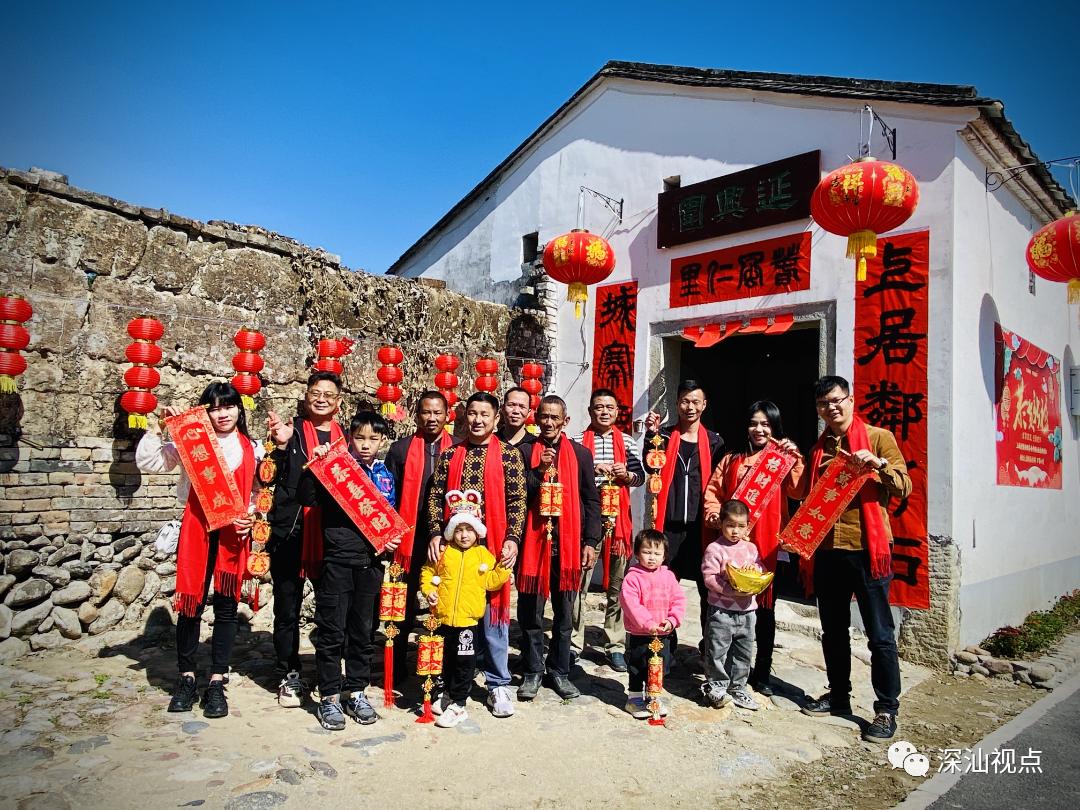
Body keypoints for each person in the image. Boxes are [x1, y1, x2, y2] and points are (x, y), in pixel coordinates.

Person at [791, 375, 911, 744]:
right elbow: (800, 493)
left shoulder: (878, 438)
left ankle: (886, 708)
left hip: (867, 550)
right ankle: (839, 695)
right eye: (824, 403)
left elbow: (904, 485)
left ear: (851, 400)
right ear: (818, 410)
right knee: (833, 630)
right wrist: (789, 460)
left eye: (837, 400)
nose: (832, 408)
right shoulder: (818, 449)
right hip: (828, 551)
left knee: (880, 635)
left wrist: (878, 465)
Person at [136, 381, 262, 719]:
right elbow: (150, 462)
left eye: (228, 406)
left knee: (226, 607)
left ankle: (217, 680)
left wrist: (251, 517)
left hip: (232, 534)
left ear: (239, 409)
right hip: (197, 529)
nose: (222, 414)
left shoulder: (252, 448)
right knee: (190, 606)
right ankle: (187, 677)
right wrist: (160, 427)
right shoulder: (192, 442)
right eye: (214, 408)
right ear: (206, 413)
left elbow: (257, 493)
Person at [426, 392, 528, 718]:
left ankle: (497, 682)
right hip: (455, 549)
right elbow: (435, 496)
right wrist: (434, 533)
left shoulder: (509, 455)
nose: (478, 420)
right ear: (464, 416)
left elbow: (517, 501)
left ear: (496, 419)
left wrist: (512, 539)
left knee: (494, 616)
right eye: (472, 413)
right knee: (456, 616)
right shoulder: (451, 455)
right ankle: (452, 683)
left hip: (492, 545)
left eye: (485, 414)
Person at [297, 410, 401, 730]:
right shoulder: (338, 470)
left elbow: (389, 516)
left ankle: (356, 691)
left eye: (373, 438)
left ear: (382, 441)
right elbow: (306, 497)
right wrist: (315, 466)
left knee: (363, 633)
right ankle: (329, 696)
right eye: (360, 438)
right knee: (331, 632)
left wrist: (391, 540)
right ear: (349, 439)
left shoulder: (385, 474)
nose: (366, 444)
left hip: (371, 565)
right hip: (338, 562)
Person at [703, 400, 804, 696]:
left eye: (765, 424)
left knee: (764, 610)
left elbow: (798, 490)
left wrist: (795, 459)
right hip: (733, 544)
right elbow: (713, 492)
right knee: (724, 606)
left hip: (767, 544)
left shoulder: (782, 459)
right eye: (753, 423)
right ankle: (723, 670)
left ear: (775, 428)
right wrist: (714, 514)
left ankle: (761, 672)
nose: (759, 429)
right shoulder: (731, 459)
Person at [265, 371, 345, 708]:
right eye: (316, 392)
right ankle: (289, 673)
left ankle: (329, 673)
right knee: (287, 609)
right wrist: (282, 447)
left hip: (331, 535)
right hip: (291, 531)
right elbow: (267, 476)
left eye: (329, 394)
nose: (321, 399)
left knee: (332, 610)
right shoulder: (290, 431)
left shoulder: (346, 438)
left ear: (338, 402)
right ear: (306, 396)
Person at [516, 395, 601, 701]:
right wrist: (538, 471)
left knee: (565, 616)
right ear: (536, 419)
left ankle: (559, 670)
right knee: (531, 614)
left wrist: (590, 542)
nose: (549, 422)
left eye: (555, 417)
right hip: (533, 546)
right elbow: (517, 495)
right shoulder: (524, 451)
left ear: (566, 421)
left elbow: (591, 500)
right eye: (544, 417)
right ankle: (532, 670)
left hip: (568, 547)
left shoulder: (580, 454)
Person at [419, 492, 511, 728]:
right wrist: (428, 589)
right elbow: (428, 572)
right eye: (459, 529)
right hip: (443, 618)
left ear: (477, 532)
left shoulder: (482, 555)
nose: (463, 535)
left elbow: (491, 581)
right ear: (451, 531)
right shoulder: (443, 553)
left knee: (464, 663)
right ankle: (447, 694)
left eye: (469, 530)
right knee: (445, 660)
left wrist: (504, 568)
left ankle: (459, 704)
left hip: (468, 623)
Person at [644, 380, 724, 644]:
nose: (690, 407)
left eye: (696, 402)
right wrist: (650, 436)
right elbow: (650, 466)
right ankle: (665, 644)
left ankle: (708, 645)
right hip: (669, 526)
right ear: (677, 403)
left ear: (704, 405)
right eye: (685, 401)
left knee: (709, 588)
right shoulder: (665, 437)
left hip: (703, 528)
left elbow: (721, 482)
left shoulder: (715, 441)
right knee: (665, 587)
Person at [572, 388, 645, 672]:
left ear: (617, 412)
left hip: (619, 520)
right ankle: (574, 641)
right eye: (599, 407)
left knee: (617, 584)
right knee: (580, 581)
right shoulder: (578, 441)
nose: (604, 412)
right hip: (588, 518)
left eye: (609, 407)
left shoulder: (627, 441)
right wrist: (592, 468)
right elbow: (571, 474)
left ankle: (615, 644)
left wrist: (627, 474)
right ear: (590, 411)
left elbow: (640, 476)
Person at [384, 391, 453, 688]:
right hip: (407, 540)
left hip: (446, 538)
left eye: (438, 412)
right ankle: (395, 665)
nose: (432, 418)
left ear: (447, 415)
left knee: (444, 602)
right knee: (402, 604)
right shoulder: (400, 450)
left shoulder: (457, 449)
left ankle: (441, 669)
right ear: (416, 415)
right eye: (426, 412)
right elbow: (388, 494)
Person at [700, 499, 764, 711]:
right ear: (721, 524)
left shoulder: (751, 548)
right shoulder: (715, 549)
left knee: (743, 651)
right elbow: (709, 577)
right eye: (730, 525)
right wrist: (729, 590)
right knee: (717, 649)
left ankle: (738, 688)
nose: (735, 531)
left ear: (747, 526)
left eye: (741, 526)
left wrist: (756, 572)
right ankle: (716, 686)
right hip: (721, 610)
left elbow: (760, 568)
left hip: (747, 610)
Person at [619, 529, 686, 719]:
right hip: (640, 633)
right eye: (647, 552)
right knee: (638, 666)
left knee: (658, 666)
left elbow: (678, 600)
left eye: (657, 553)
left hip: (663, 633)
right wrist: (647, 623)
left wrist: (672, 619)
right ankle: (634, 698)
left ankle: (653, 697)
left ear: (664, 556)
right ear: (637, 553)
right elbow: (631, 604)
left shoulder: (669, 577)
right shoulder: (633, 578)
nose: (651, 557)